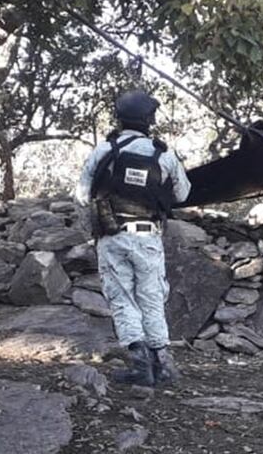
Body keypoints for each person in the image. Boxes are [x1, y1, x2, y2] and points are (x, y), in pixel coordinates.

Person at [75, 89, 191, 387]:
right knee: (152, 297)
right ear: (149, 119)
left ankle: (140, 366)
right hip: (148, 237)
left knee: (122, 297)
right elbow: (183, 193)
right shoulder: (162, 154)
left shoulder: (105, 150)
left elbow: (81, 193)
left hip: (113, 236)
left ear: (120, 117)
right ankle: (162, 365)